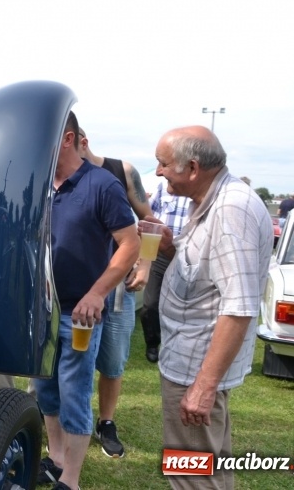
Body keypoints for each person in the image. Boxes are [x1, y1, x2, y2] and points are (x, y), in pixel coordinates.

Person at [149, 126, 272, 490]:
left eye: (163, 163)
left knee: (191, 475)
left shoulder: (231, 209)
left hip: (195, 369)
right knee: (209, 470)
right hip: (190, 361)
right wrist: (171, 249)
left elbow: (238, 306)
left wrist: (203, 387)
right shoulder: (209, 201)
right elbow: (206, 276)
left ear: (192, 168)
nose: (157, 171)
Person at [33, 112, 139, 490]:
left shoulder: (103, 184)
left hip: (80, 313)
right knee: (46, 390)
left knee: (74, 392)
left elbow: (130, 244)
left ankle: (71, 480)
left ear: (68, 138)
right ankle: (56, 458)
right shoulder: (37, 183)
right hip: (41, 311)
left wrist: (97, 293)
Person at [75, 128, 150, 459]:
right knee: (73, 358)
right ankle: (71, 422)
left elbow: (149, 221)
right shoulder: (64, 176)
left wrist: (145, 264)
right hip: (77, 287)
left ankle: (106, 422)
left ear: (83, 142)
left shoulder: (123, 171)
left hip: (118, 288)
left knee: (113, 360)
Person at [139, 179, 190, 363]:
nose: (160, 172)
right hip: (160, 253)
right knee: (151, 304)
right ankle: (152, 343)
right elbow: (146, 215)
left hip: (188, 255)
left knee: (183, 305)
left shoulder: (203, 194)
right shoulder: (162, 188)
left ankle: (179, 347)